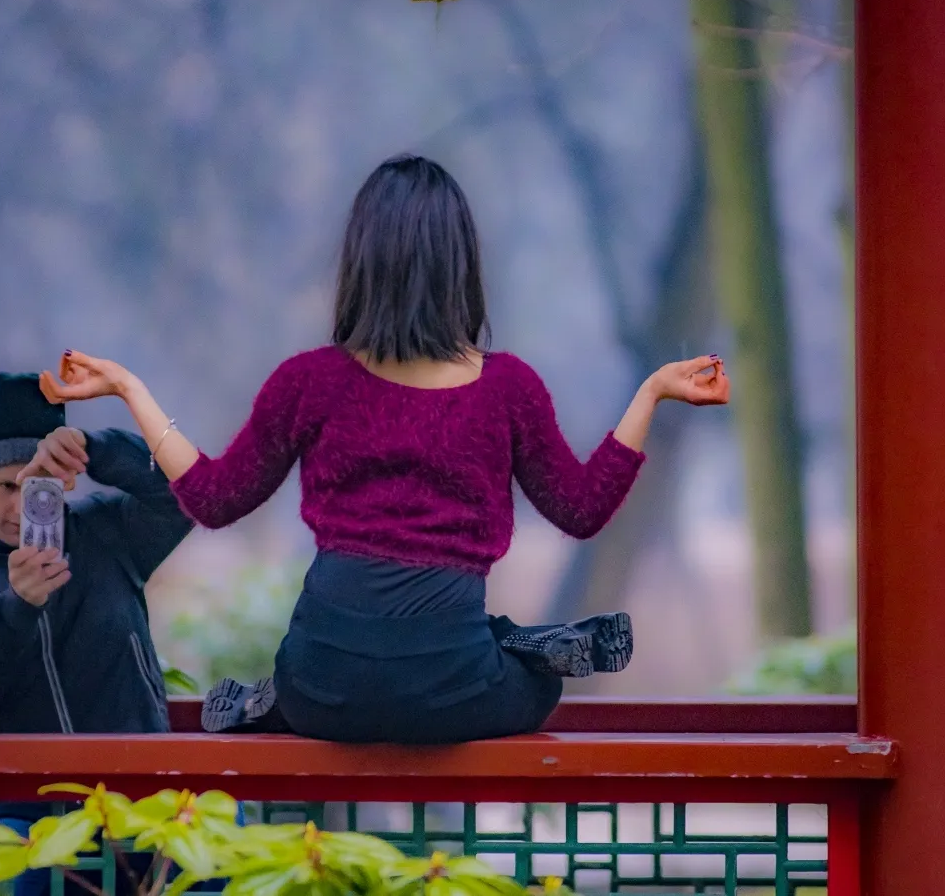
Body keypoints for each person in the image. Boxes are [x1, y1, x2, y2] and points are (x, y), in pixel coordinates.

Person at [38, 154, 730, 744]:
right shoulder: (508, 388)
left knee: (330, 675)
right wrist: (652, 393)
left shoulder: (310, 381)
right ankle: (512, 644)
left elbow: (215, 499)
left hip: (320, 682)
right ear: (461, 264)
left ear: (361, 263)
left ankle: (280, 695)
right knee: (536, 683)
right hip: (451, 685)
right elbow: (581, 509)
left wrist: (130, 388)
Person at [0, 372, 198, 894]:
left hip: (140, 800)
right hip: (26, 813)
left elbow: (190, 496)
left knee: (216, 857)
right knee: (20, 880)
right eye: (4, 487)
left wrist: (96, 450)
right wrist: (15, 606)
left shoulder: (109, 533)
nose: (21, 508)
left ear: (61, 481)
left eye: (36, 486)